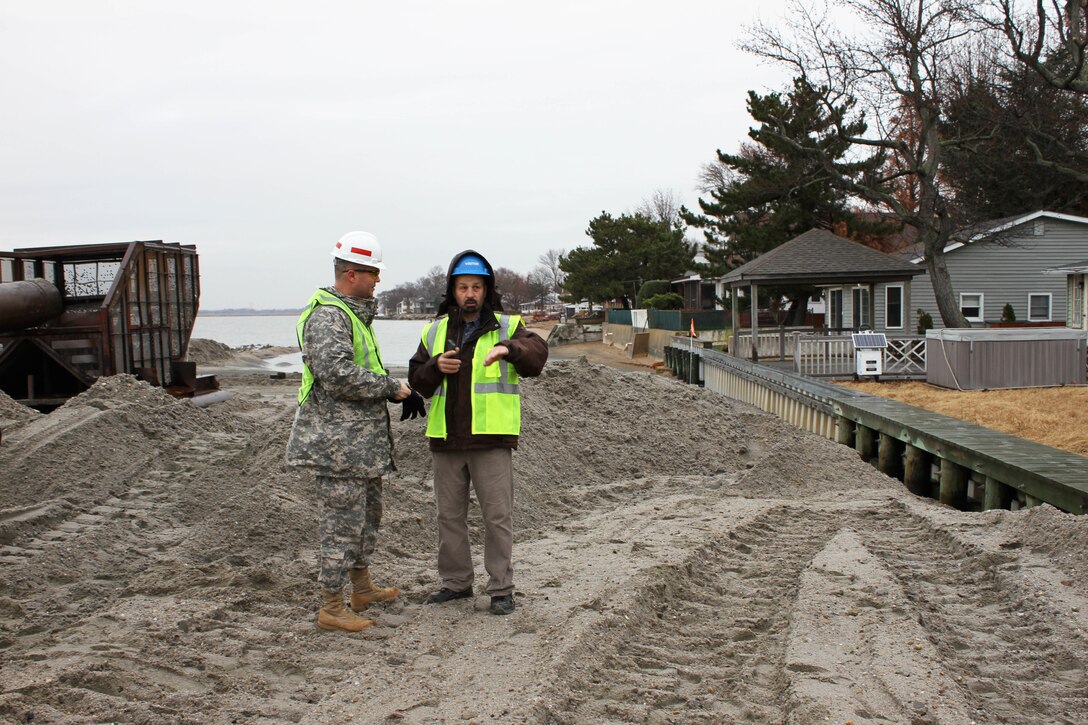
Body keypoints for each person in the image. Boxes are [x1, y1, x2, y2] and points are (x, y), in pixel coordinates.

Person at [285, 231, 424, 633]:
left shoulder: (351, 314)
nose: (377, 280)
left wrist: (392, 386)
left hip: (360, 445)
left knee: (366, 519)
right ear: (351, 274)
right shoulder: (328, 315)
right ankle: (331, 604)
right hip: (337, 445)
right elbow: (336, 374)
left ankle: (361, 589)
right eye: (372, 273)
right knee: (341, 525)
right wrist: (390, 388)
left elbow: (356, 368)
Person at [408, 250, 548, 615]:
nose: (469, 293)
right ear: (452, 291)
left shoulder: (507, 326)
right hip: (446, 440)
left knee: (497, 516)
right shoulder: (435, 330)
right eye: (463, 287)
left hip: (490, 440)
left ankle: (501, 588)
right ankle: (456, 584)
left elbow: (537, 356)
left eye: (476, 287)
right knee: (448, 517)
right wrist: (436, 366)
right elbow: (417, 380)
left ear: (487, 291)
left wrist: (510, 348)